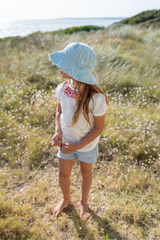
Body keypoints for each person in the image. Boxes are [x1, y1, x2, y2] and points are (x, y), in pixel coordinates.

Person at [48, 42, 109, 220]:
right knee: (63, 174)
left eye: (64, 64)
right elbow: (59, 112)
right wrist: (58, 132)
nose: (59, 67)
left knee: (85, 172)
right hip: (66, 142)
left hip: (86, 145)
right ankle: (66, 198)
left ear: (75, 69)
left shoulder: (96, 98)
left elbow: (98, 128)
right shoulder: (62, 88)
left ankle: (83, 201)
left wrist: (78, 146)